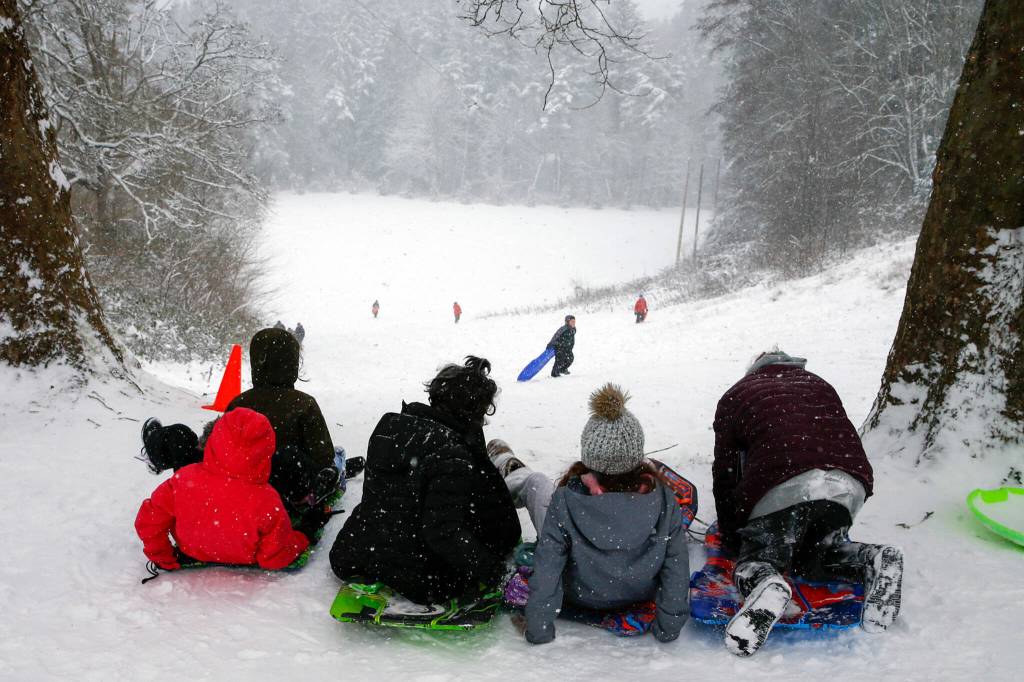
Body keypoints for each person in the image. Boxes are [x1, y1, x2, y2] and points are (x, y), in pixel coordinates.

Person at [712, 349, 903, 657]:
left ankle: (766, 580)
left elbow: (727, 472)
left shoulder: (737, 395)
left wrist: (733, 535)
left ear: (752, 371)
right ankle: (873, 559)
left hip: (783, 478)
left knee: (760, 556)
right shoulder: (819, 383)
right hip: (848, 483)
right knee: (818, 556)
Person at [490, 384, 689, 644]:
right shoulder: (663, 498)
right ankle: (509, 465)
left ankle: (506, 466)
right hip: (638, 593)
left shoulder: (565, 499)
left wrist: (538, 629)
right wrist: (669, 628)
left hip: (581, 595)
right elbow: (676, 566)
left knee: (537, 484)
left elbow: (548, 568)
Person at [329, 356, 520, 605]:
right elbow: (443, 531)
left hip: (356, 551)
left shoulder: (390, 427)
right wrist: (495, 573)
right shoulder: (452, 451)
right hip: (421, 578)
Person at [135, 408, 311, 572]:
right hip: (245, 555)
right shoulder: (267, 499)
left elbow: (149, 521)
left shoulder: (183, 479)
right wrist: (303, 536)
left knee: (181, 436)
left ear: (215, 437)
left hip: (192, 549)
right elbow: (275, 557)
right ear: (267, 448)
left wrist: (164, 557)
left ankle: (155, 447)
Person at [226, 327, 341, 518]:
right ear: (293, 364)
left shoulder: (238, 405)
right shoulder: (303, 404)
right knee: (336, 458)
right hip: (292, 491)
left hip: (247, 489)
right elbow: (323, 455)